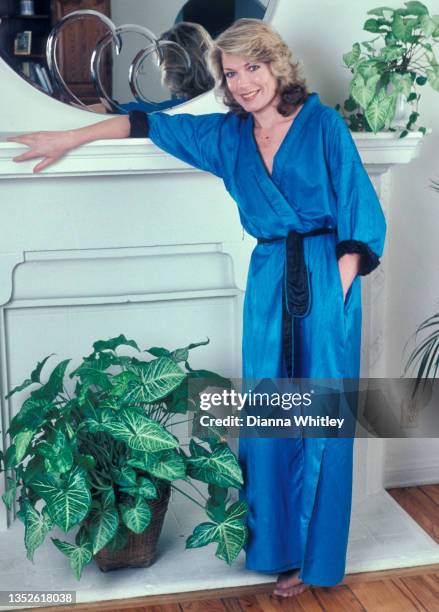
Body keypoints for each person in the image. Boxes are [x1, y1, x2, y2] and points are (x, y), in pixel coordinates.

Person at [7, 18, 386, 598]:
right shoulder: (226, 137)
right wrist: (69, 138)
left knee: (322, 418)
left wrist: (338, 289)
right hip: (268, 285)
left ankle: (316, 556)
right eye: (231, 74)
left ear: (276, 65)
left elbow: (361, 209)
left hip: (326, 278)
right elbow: (147, 124)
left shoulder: (322, 125)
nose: (243, 83)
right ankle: (279, 550)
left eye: (252, 68)